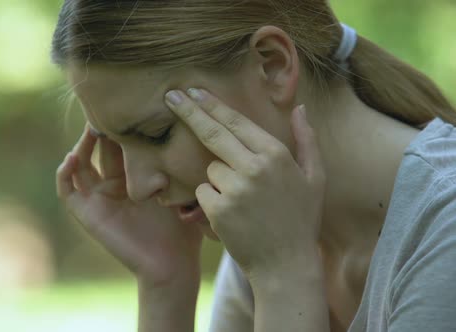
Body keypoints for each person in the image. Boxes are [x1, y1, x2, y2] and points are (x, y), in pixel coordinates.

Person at [52, 1, 456, 331]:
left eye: (157, 133)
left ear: (272, 65)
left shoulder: (445, 227)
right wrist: (165, 284)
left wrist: (286, 280)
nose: (138, 187)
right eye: (114, 144)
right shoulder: (269, 230)